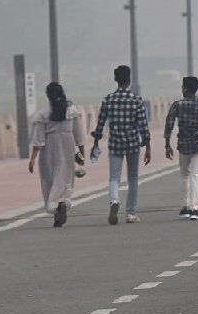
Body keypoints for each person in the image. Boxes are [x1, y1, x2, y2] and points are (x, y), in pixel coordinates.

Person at [91, 65, 151, 225]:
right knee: (133, 177)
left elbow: (100, 125)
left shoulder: (108, 100)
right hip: (132, 143)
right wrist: (148, 146)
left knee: (114, 177)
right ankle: (130, 213)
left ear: (115, 80)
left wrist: (95, 143)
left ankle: (114, 200)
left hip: (115, 142)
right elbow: (143, 125)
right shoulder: (136, 100)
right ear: (129, 80)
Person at [28, 83, 85, 227]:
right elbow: (79, 135)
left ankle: (55, 207)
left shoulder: (43, 114)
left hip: (49, 149)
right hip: (68, 146)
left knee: (50, 179)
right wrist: (82, 154)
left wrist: (33, 159)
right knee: (65, 178)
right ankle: (62, 202)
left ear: (48, 96)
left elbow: (38, 140)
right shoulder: (72, 111)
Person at [165, 76, 198, 220]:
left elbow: (169, 124)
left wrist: (167, 144)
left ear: (185, 88)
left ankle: (185, 206)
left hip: (183, 144)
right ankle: (194, 209)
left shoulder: (177, 105)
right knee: (195, 176)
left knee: (184, 175)